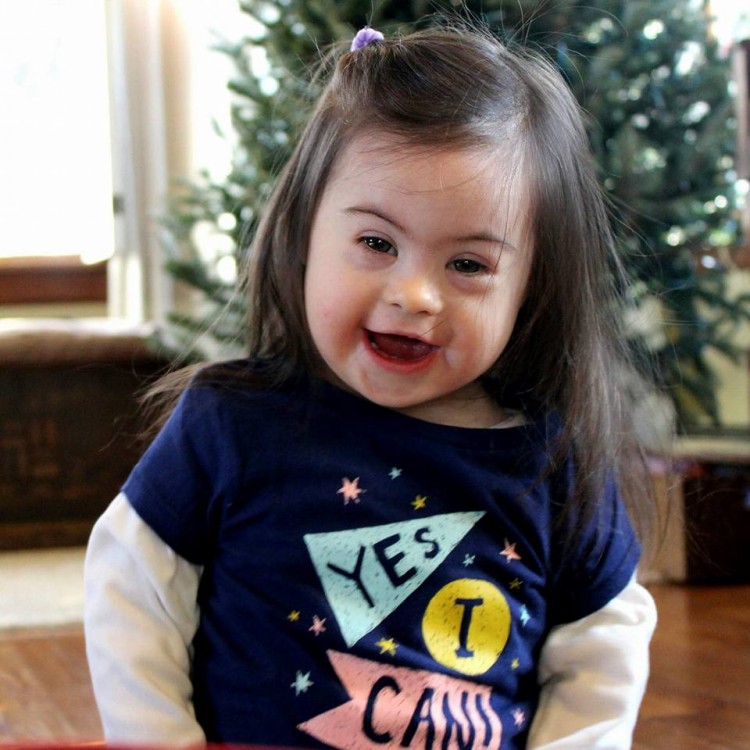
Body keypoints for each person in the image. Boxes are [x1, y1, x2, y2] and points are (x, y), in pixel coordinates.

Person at [84, 22, 658, 750]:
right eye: (378, 243)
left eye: (470, 266)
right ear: (303, 233)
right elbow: (132, 590)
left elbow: (600, 656)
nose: (416, 294)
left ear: (529, 291)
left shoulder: (553, 465)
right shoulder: (232, 422)